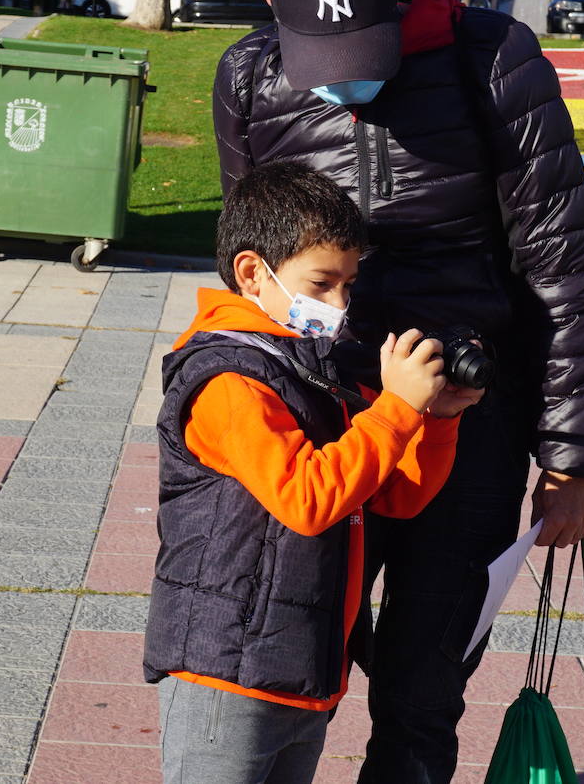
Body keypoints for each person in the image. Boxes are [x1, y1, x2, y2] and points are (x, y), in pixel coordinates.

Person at [211, 0, 584, 783]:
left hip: (466, 428)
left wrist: (570, 460)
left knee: (424, 693)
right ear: (274, 13)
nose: (346, 82)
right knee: (290, 672)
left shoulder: (493, 60)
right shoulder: (247, 77)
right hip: (325, 425)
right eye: (323, 62)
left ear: (394, 0)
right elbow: (252, 261)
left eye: (365, 56)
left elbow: (560, 273)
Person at [144, 161, 485, 784]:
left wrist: (435, 420)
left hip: (300, 664)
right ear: (253, 272)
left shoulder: (307, 368)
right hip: (227, 674)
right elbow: (308, 499)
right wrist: (395, 408)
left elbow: (395, 499)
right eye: (322, 283)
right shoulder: (228, 381)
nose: (339, 304)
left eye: (348, 284)